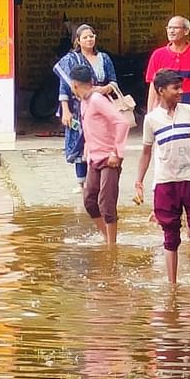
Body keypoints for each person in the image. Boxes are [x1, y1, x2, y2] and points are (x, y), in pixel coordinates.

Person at [135, 69, 190, 284]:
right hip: (165, 182)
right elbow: (146, 151)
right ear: (161, 91)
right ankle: (172, 286)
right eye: (176, 88)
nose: (181, 91)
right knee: (170, 236)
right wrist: (139, 181)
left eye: (181, 87)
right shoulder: (151, 120)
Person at [70, 63, 129, 245]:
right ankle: (107, 238)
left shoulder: (97, 99)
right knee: (89, 200)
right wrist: (87, 148)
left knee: (106, 203)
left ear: (74, 85)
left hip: (109, 158)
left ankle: (112, 246)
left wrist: (116, 151)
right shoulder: (84, 101)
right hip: (95, 157)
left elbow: (121, 122)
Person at [55, 24, 117, 193]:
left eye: (91, 36)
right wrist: (65, 110)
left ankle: (98, 178)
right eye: (85, 37)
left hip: (101, 105)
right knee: (79, 141)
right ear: (78, 41)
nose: (89, 39)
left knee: (99, 140)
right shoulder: (70, 60)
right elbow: (64, 87)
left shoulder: (104, 58)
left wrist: (105, 89)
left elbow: (113, 81)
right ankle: (81, 182)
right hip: (77, 107)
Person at [144, 15, 190, 110]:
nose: (171, 31)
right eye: (169, 28)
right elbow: (153, 88)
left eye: (175, 28)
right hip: (164, 109)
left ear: (186, 31)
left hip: (189, 108)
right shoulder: (158, 55)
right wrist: (150, 112)